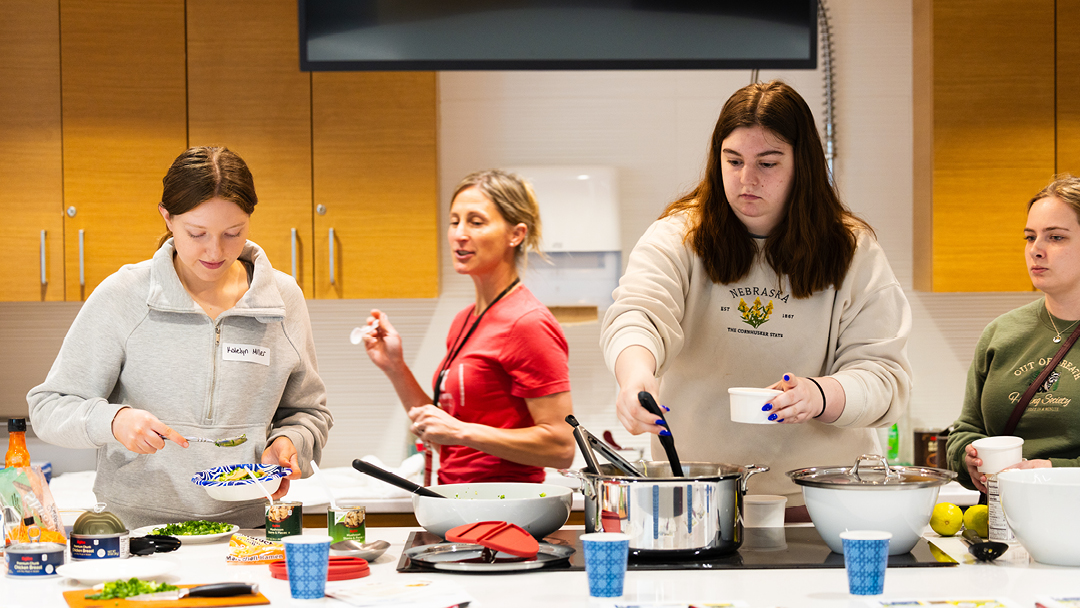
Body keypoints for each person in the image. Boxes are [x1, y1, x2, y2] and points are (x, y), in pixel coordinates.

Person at [601, 81, 911, 517]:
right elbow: (638, 313)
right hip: (698, 498)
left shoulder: (852, 249)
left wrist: (821, 395)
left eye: (767, 163)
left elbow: (884, 378)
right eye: (733, 161)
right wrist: (634, 377)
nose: (747, 180)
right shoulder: (678, 236)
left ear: (802, 166)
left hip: (820, 501)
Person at [27, 146, 332, 528]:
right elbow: (49, 407)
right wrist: (114, 420)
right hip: (135, 532)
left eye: (232, 233)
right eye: (197, 233)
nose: (215, 251)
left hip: (250, 531)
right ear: (167, 218)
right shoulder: (125, 295)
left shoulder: (282, 301)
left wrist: (291, 445)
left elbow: (308, 413)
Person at [361, 169, 575, 485]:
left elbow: (561, 446)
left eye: (476, 222)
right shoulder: (465, 320)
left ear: (515, 234)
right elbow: (441, 426)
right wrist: (395, 367)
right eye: (454, 221)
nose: (460, 233)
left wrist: (462, 432)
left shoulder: (527, 323)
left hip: (504, 508)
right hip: (456, 501)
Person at [947, 175, 1080, 493]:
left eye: (1056, 238)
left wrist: (1055, 472)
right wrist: (968, 459)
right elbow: (965, 430)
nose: (1036, 250)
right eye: (1030, 237)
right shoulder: (1001, 333)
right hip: (1001, 526)